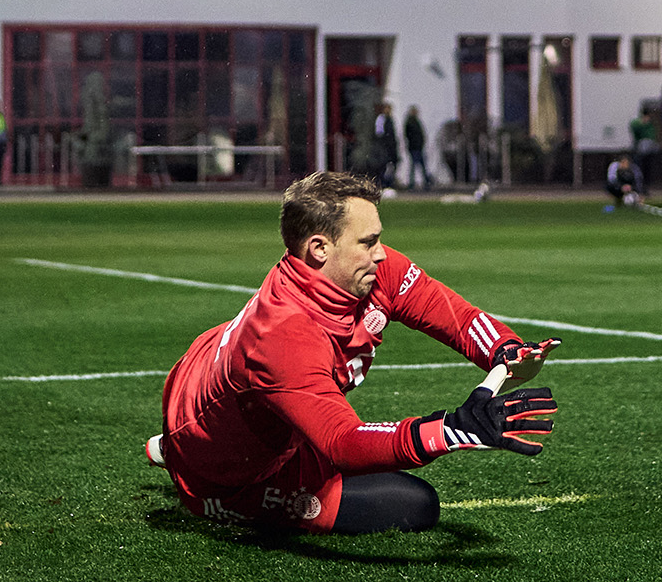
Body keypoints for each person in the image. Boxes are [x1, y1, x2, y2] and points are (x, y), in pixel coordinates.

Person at [149, 172, 560, 535]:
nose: (381, 253)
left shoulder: (368, 271)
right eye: (368, 242)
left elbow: (447, 311)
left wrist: (506, 349)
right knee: (415, 505)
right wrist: (450, 430)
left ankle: (182, 443)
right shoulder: (282, 337)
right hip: (230, 472)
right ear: (319, 249)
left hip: (207, 379)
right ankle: (183, 458)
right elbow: (343, 442)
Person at [402, 105, 432, 190]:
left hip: (417, 147)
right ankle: (415, 183)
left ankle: (424, 183)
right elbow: (409, 135)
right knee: (416, 166)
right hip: (415, 147)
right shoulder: (411, 122)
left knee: (419, 166)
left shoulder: (415, 121)